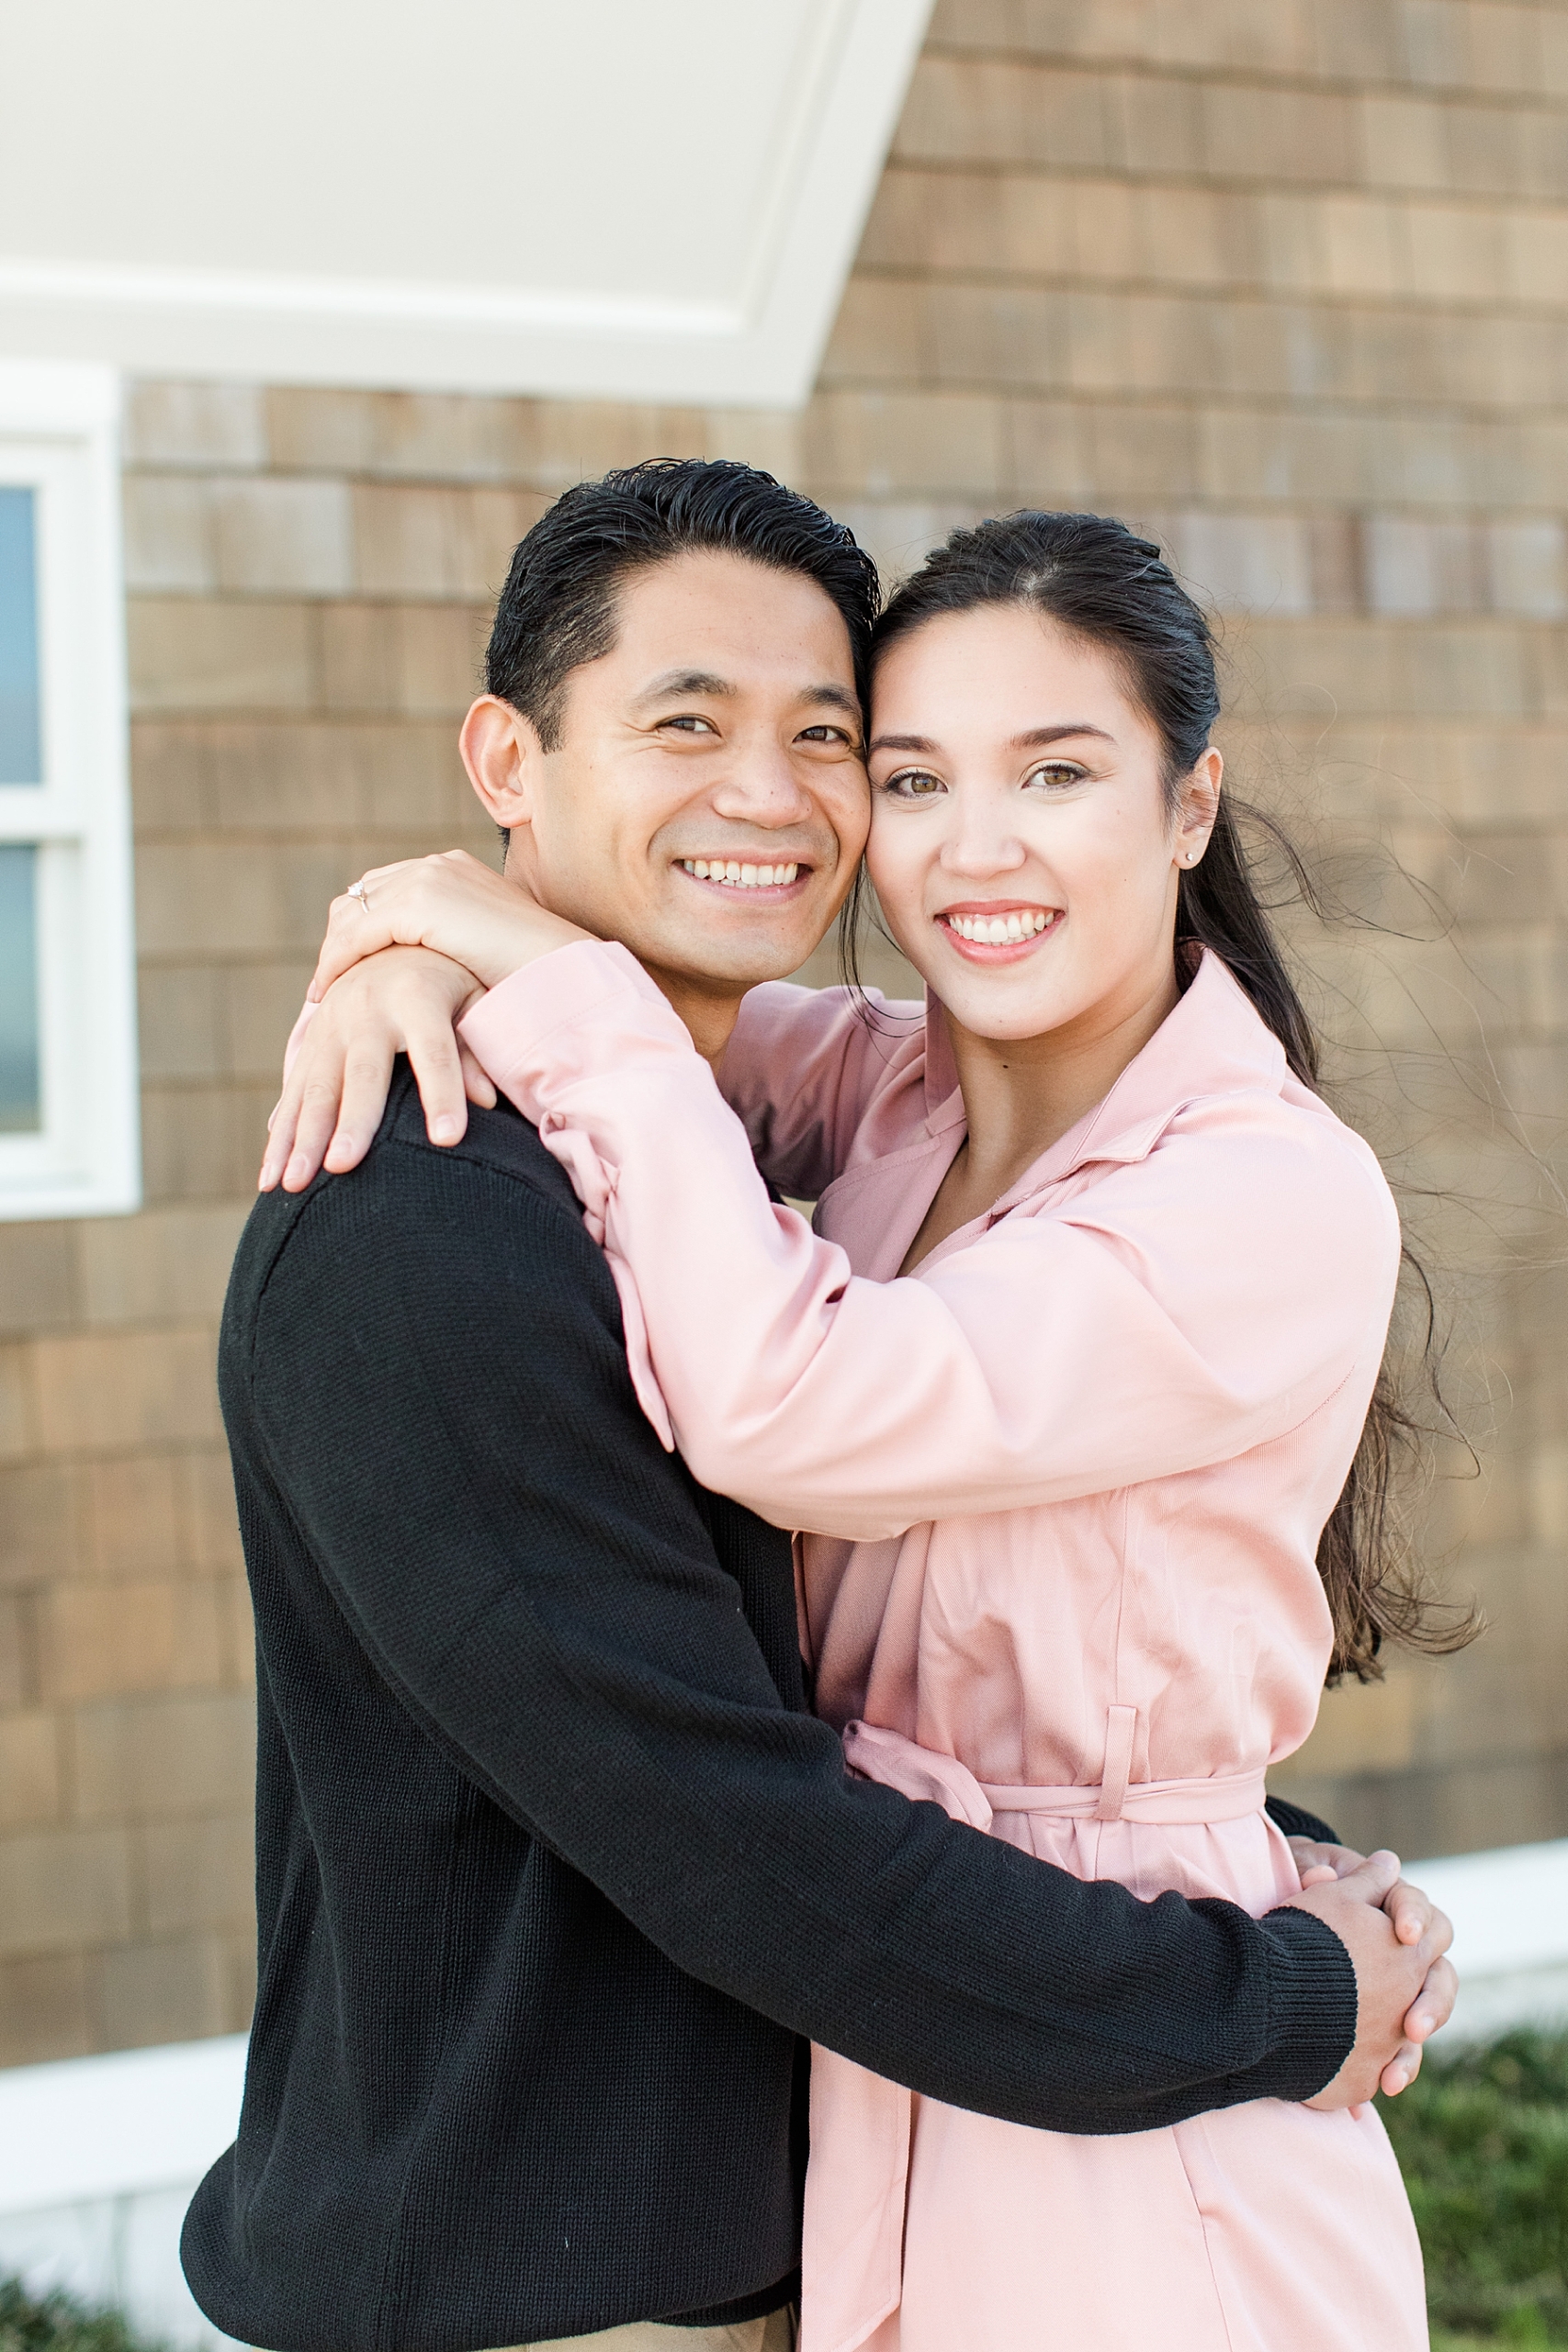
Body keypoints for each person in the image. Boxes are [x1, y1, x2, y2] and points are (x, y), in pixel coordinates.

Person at [249, 469, 1454, 2352]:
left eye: (1054, 771)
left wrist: (524, 950)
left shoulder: (1261, 1191)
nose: (975, 848)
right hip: (897, 2069)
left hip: (1121, 2101)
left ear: (1186, 798)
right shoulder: (896, 1090)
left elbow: (775, 1382)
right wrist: (411, 940)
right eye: (906, 776)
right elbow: (662, 1022)